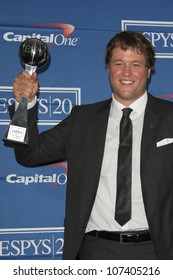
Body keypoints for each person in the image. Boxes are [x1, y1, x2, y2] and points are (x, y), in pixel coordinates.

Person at [10, 31, 173, 260]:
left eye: (135, 64)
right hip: (95, 251)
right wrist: (23, 105)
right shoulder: (82, 119)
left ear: (148, 71)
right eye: (119, 63)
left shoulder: (170, 118)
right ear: (108, 69)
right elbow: (29, 155)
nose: (126, 72)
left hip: (157, 251)